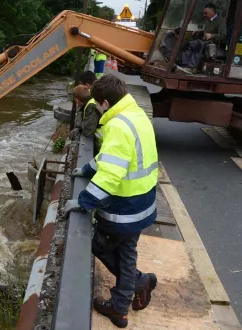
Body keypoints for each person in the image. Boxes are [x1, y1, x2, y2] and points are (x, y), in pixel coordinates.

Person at [64, 75, 159, 328]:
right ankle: (133, 289)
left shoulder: (117, 125)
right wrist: (86, 169)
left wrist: (83, 201)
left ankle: (123, 303)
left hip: (124, 206)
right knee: (127, 252)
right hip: (143, 201)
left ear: (105, 102)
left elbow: (111, 173)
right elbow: (112, 157)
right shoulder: (135, 114)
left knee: (102, 247)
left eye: (99, 105)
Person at [181, 3, 228, 68]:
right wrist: (199, 33)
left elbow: (223, 35)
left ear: (212, 12)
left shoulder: (220, 21)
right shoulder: (208, 20)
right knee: (187, 44)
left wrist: (212, 36)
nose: (204, 15)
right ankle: (185, 65)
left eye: (206, 13)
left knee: (198, 45)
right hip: (204, 40)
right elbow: (206, 32)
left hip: (214, 43)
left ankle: (192, 66)